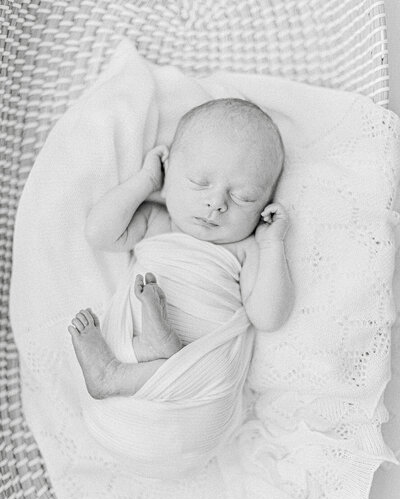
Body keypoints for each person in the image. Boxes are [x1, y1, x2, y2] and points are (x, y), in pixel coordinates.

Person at [68, 98, 294, 402]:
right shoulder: (156, 221)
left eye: (244, 197)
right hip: (126, 372)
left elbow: (268, 318)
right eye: (200, 183)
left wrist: (273, 244)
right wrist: (146, 182)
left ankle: (123, 370)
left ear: (265, 203)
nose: (217, 203)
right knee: (122, 339)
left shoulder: (246, 249)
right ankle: (142, 358)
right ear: (168, 170)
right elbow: (98, 234)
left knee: (219, 370)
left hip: (196, 396)